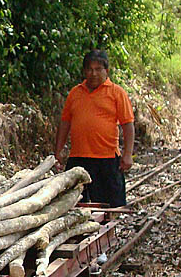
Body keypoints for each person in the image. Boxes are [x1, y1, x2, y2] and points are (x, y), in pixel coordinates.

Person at [54, 49, 135, 207]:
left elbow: (128, 125)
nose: (94, 73)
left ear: (107, 71)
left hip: (106, 159)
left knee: (110, 206)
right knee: (74, 205)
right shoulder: (75, 93)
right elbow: (65, 123)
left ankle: (108, 232)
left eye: (98, 69)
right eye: (90, 69)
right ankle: (82, 233)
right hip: (78, 158)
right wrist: (58, 150)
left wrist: (127, 154)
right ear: (84, 71)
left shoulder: (117, 93)